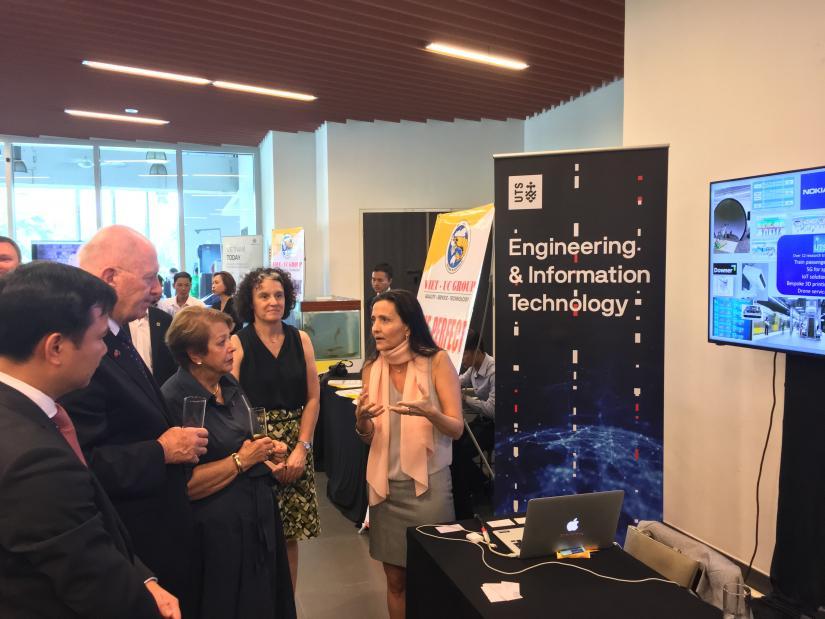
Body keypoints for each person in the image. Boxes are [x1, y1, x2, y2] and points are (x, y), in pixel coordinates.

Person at [0, 261, 180, 618]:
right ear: (55, 348)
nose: (104, 350)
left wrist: (142, 578)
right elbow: (93, 583)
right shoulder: (33, 461)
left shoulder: (27, 415)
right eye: (99, 338)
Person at [60, 225, 208, 614]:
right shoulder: (83, 355)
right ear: (110, 278)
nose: (158, 289)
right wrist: (160, 451)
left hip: (161, 533)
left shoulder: (117, 336)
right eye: (148, 279)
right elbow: (84, 464)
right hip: (134, 545)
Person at [161, 307, 297, 619]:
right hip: (217, 539)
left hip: (258, 522)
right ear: (195, 354)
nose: (232, 347)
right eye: (222, 343)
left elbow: (244, 440)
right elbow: (184, 486)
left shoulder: (230, 385)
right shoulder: (175, 400)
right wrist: (241, 460)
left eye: (230, 340)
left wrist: (265, 449)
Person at [355, 289, 463, 619]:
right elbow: (367, 437)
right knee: (395, 581)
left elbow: (456, 429)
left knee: (435, 578)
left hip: (429, 487)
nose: (375, 327)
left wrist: (431, 412)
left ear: (407, 326)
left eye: (385, 319)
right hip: (386, 490)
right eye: (374, 319)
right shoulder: (371, 368)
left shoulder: (437, 362)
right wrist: (361, 420)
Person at [231, 267, 321, 590]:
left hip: (297, 446)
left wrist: (302, 448)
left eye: (279, 294)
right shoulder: (237, 344)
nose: (273, 301)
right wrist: (263, 456)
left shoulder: (302, 340)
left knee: (289, 536)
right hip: (253, 445)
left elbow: (312, 399)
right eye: (264, 295)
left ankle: (287, 607)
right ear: (250, 301)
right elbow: (232, 407)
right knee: (257, 534)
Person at [451, 329, 495, 519]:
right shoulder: (473, 369)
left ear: (477, 352)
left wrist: (465, 399)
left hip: (495, 425)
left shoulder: (494, 371)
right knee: (454, 447)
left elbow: (492, 410)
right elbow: (457, 380)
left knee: (460, 453)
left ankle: (480, 484)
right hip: (482, 421)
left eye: (466, 354)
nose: (463, 359)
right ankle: (478, 484)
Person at [129, 305, 178, 386]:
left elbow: (171, 359)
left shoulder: (164, 319)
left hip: (159, 388)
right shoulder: (116, 318)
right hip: (128, 388)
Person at [366, 262, 394, 356]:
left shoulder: (397, 301)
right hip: (375, 346)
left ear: (389, 281)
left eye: (380, 280)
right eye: (373, 280)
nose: (376, 283)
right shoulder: (369, 302)